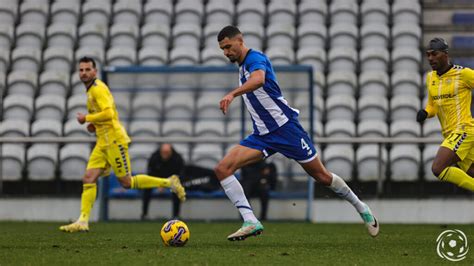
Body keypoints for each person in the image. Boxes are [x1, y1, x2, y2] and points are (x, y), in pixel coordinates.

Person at [215, 25, 379, 241]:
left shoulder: (255, 58)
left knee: (321, 176)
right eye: (223, 49)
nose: (226, 52)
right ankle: (250, 220)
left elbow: (259, 80)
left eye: (228, 46)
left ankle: (361, 207)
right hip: (262, 135)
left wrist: (232, 94)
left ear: (240, 40)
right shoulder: (242, 66)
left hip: (286, 130)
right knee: (222, 169)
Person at [59, 57, 186, 233]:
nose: (84, 73)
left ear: (95, 72)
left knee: (126, 182)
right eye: (81, 70)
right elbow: (103, 115)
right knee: (89, 178)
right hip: (102, 143)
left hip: (114, 141)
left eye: (88, 69)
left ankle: (169, 182)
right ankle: (83, 220)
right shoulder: (90, 92)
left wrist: (86, 118)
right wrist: (93, 125)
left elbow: (109, 113)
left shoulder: (98, 89)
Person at [416, 38, 474, 191]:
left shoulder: (464, 74)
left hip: (464, 130)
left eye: (434, 54)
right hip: (449, 135)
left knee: (438, 168)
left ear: (445, 54)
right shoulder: (430, 78)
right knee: (472, 172)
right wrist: (426, 112)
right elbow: (432, 105)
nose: (430, 58)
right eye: (428, 55)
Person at [141, 144, 185, 220]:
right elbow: (150, 173)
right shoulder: (154, 157)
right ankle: (144, 214)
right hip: (157, 179)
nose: (165, 154)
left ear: (171, 151)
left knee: (177, 189)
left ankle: (176, 215)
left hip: (172, 180)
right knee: (146, 188)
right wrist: (159, 184)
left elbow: (180, 174)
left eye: (167, 152)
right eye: (163, 152)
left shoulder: (177, 158)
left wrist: (169, 183)